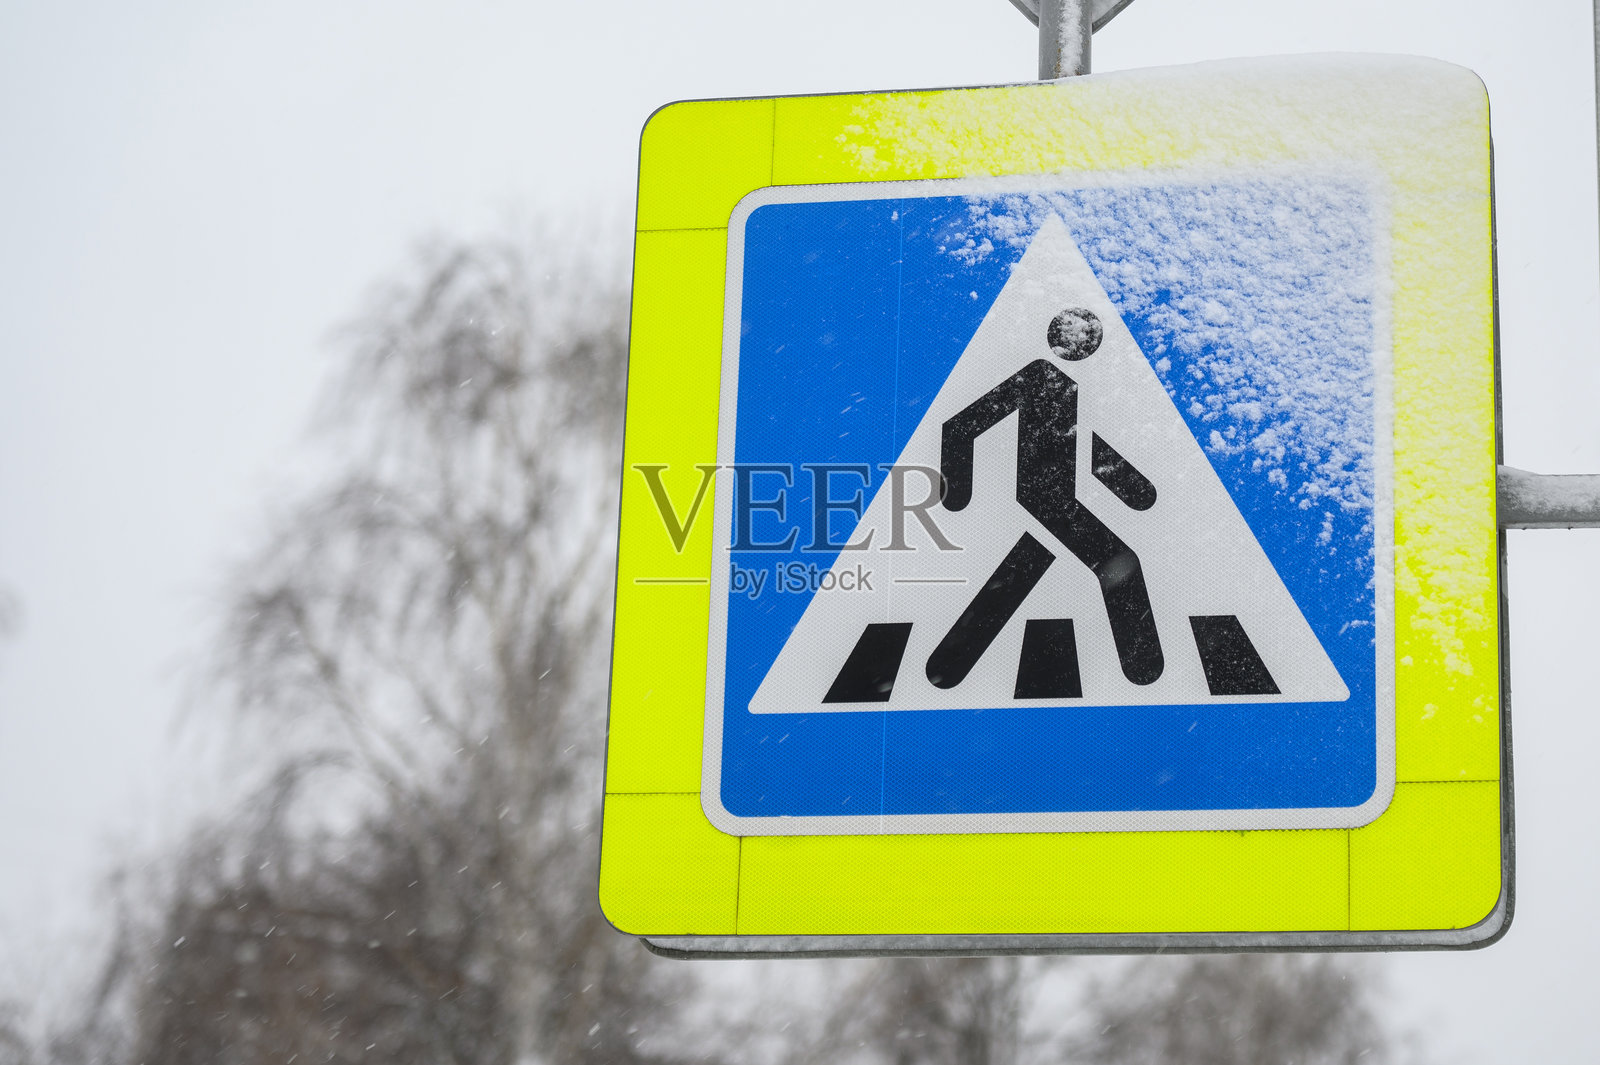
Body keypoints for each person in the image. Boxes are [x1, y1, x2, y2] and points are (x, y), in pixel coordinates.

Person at [926, 307, 1164, 689]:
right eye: (1076, 338)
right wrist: (956, 491)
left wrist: (1134, 489)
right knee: (1114, 563)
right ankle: (1143, 666)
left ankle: (948, 666)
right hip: (1042, 498)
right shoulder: (1039, 377)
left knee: (1023, 570)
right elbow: (963, 426)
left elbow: (1086, 446)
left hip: (1056, 499)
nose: (1080, 347)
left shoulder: (1072, 388)